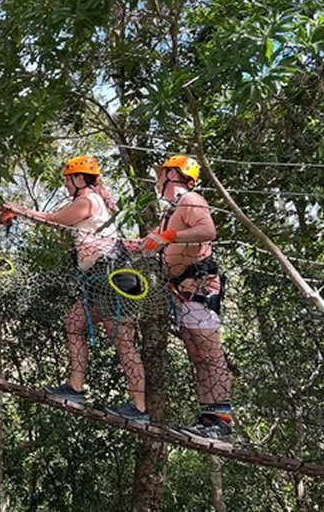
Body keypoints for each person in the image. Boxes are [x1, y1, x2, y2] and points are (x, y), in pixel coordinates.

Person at [0, 155, 150, 425]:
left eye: (67, 181)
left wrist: (18, 209)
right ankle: (75, 389)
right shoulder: (95, 200)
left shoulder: (87, 200)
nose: (66, 186)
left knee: (123, 340)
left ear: (79, 179)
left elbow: (53, 220)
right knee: (74, 323)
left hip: (110, 278)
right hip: (100, 279)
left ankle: (139, 408)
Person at [145, 154, 233, 440]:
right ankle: (209, 419)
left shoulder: (190, 200)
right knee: (198, 355)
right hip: (182, 292)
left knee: (209, 353)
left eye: (162, 173)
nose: (158, 179)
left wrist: (168, 237)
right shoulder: (169, 212)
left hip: (200, 287)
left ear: (172, 174)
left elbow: (208, 231)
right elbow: (147, 243)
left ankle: (222, 422)